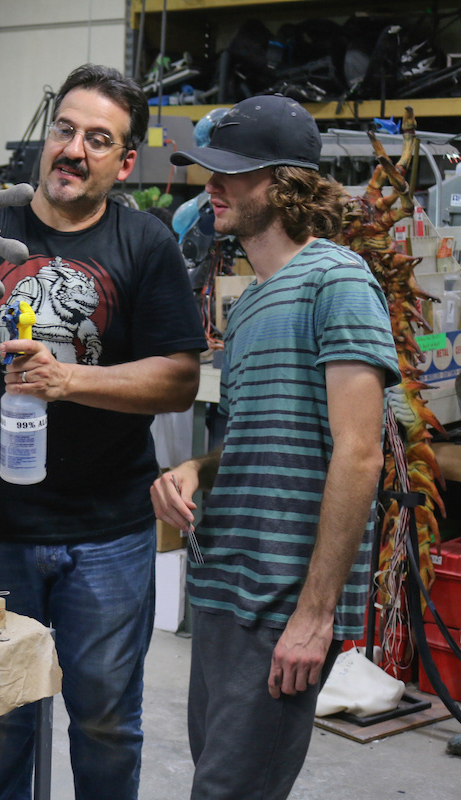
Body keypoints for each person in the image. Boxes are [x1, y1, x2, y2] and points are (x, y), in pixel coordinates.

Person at [0, 64, 205, 800]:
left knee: (105, 724)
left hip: (108, 533)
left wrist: (69, 381)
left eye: (99, 139)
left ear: (124, 162)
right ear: (47, 134)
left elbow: (179, 377)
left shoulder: (145, 243)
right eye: (65, 129)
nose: (74, 149)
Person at [152, 95, 400, 800]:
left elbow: (358, 454)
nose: (212, 186)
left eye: (232, 173)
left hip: (282, 601)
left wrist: (315, 613)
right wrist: (194, 469)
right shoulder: (254, 303)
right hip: (227, 590)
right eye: (209, 171)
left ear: (287, 182)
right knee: (217, 778)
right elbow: (258, 441)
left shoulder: (339, 281)